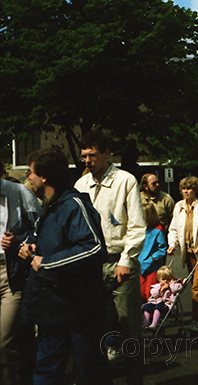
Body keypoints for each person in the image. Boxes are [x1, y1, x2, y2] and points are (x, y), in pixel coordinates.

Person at [21, 148, 110, 384]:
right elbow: (46, 239)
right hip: (52, 311)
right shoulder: (49, 208)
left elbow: (93, 248)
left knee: (90, 373)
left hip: (81, 312)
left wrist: (47, 262)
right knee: (45, 373)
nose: (29, 178)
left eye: (31, 173)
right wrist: (30, 246)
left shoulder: (74, 205)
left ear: (45, 177)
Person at [74, 130, 145, 367]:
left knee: (129, 327)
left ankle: (135, 379)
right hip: (90, 265)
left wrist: (126, 260)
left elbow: (136, 226)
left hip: (119, 262)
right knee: (93, 328)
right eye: (84, 156)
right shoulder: (81, 184)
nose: (87, 161)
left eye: (92, 155)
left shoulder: (125, 180)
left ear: (106, 153)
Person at [1, 169, 42, 384]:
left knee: (4, 343)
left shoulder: (19, 192)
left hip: (10, 274)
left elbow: (41, 228)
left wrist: (19, 240)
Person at [167, 176, 198, 330]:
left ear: (195, 190)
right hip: (188, 253)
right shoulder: (178, 206)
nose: (186, 191)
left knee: (197, 286)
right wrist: (172, 244)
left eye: (189, 188)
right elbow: (174, 228)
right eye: (184, 189)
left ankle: (196, 320)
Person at [139, 204, 168, 302]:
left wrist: (152, 258)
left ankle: (153, 315)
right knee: (141, 293)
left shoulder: (157, 231)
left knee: (150, 293)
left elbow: (162, 249)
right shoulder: (139, 230)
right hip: (140, 266)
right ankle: (144, 315)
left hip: (153, 267)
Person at [141, 265, 182, 330]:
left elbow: (177, 289)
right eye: (163, 279)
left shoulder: (173, 285)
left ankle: (154, 324)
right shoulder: (158, 286)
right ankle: (145, 324)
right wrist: (161, 290)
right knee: (147, 307)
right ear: (159, 280)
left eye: (167, 279)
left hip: (166, 304)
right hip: (156, 302)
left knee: (158, 307)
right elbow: (153, 293)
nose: (165, 281)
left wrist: (171, 283)